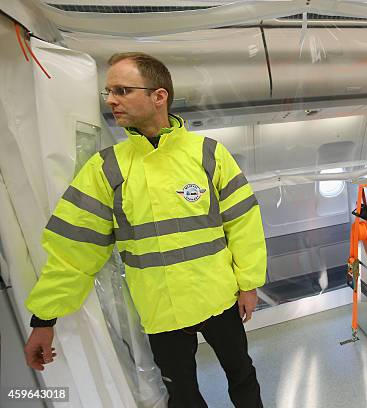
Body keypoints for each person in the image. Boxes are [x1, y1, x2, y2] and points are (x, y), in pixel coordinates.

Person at [23, 52, 267, 408]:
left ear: (159, 96)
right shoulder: (106, 169)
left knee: (242, 376)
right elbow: (73, 251)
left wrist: (249, 283)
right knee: (182, 397)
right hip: (160, 312)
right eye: (107, 92)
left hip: (220, 299)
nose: (110, 100)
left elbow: (243, 223)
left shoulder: (208, 154)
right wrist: (45, 318)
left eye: (121, 90)